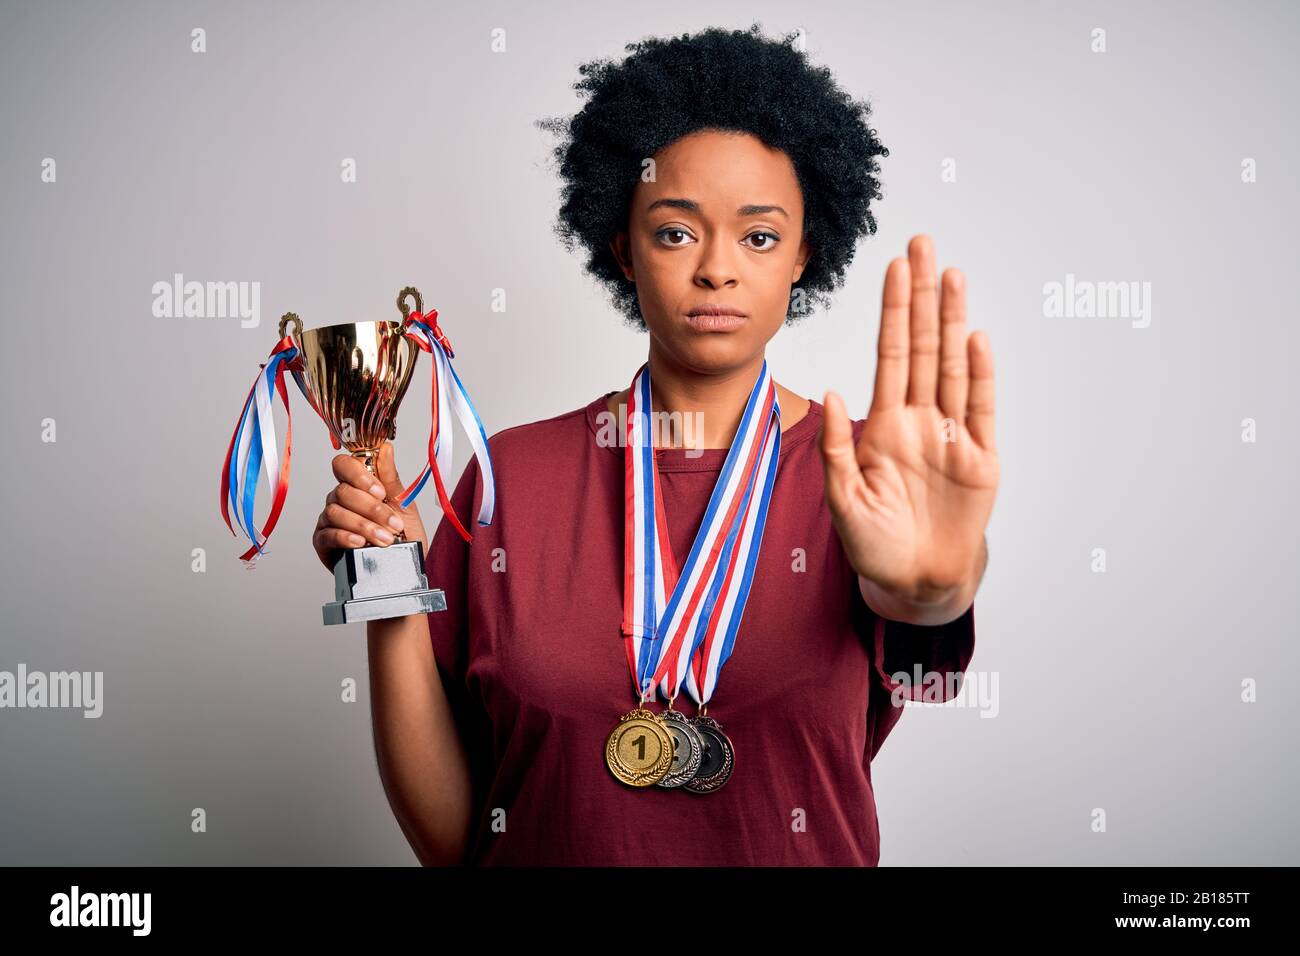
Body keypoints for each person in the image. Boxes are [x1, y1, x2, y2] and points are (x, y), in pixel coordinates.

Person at [311, 24, 998, 866]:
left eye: (759, 236)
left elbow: (926, 633)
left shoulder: (866, 483)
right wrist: (384, 579)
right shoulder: (504, 480)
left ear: (804, 257)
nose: (717, 269)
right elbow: (457, 842)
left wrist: (937, 589)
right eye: (675, 232)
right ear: (623, 249)